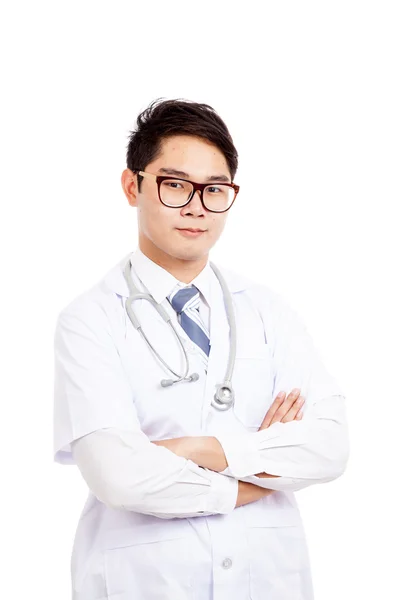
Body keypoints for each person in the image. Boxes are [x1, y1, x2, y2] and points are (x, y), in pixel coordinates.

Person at [53, 97, 349, 600]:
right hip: (147, 581)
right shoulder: (89, 319)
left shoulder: (269, 311)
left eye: (214, 190)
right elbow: (118, 475)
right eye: (174, 185)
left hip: (268, 577)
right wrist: (251, 481)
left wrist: (193, 451)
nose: (196, 206)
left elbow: (329, 447)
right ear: (133, 186)